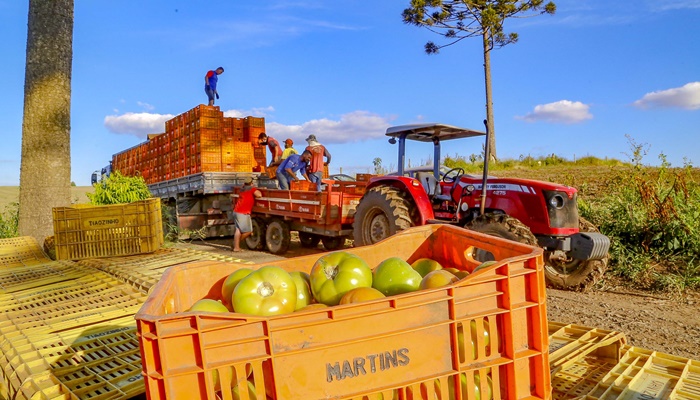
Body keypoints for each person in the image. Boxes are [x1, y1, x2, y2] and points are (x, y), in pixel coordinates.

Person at [230, 177, 262, 252]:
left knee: (238, 229)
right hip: (242, 212)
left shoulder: (242, 189)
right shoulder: (251, 189)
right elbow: (259, 195)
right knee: (249, 231)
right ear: (251, 183)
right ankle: (235, 244)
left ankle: (236, 247)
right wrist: (254, 188)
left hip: (237, 211)